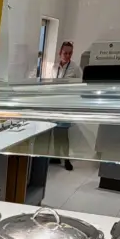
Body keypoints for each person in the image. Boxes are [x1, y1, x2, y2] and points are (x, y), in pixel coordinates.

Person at [51, 41, 80, 170]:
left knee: (63, 134)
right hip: (55, 104)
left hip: (66, 105)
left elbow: (81, 85)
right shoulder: (54, 67)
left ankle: (66, 159)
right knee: (55, 132)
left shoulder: (75, 68)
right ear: (60, 53)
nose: (67, 56)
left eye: (70, 53)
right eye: (65, 53)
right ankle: (56, 157)